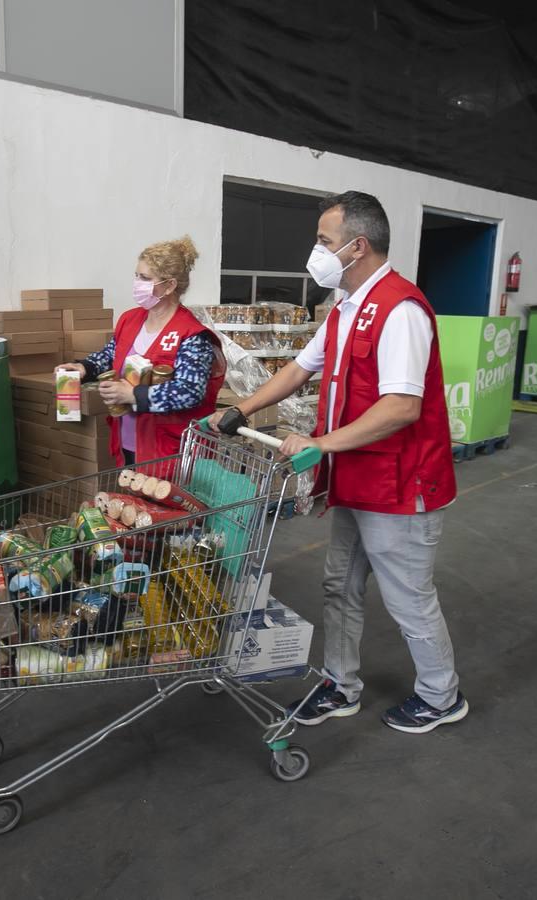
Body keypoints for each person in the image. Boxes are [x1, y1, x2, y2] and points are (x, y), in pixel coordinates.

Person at [210, 191, 467, 734]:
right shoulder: (346, 308)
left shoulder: (400, 309)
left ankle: (442, 696)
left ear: (358, 246)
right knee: (339, 587)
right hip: (355, 479)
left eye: (324, 241)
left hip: (400, 486)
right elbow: (300, 369)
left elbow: (402, 406)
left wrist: (321, 445)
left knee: (407, 599)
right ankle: (341, 684)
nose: (316, 251)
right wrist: (241, 409)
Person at [58, 236, 224, 466]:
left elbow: (190, 391)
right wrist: (84, 367)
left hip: (171, 451)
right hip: (129, 441)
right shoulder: (130, 319)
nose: (137, 283)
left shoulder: (191, 335)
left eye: (145, 278)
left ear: (169, 285)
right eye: (137, 276)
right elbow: (111, 354)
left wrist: (133, 396)